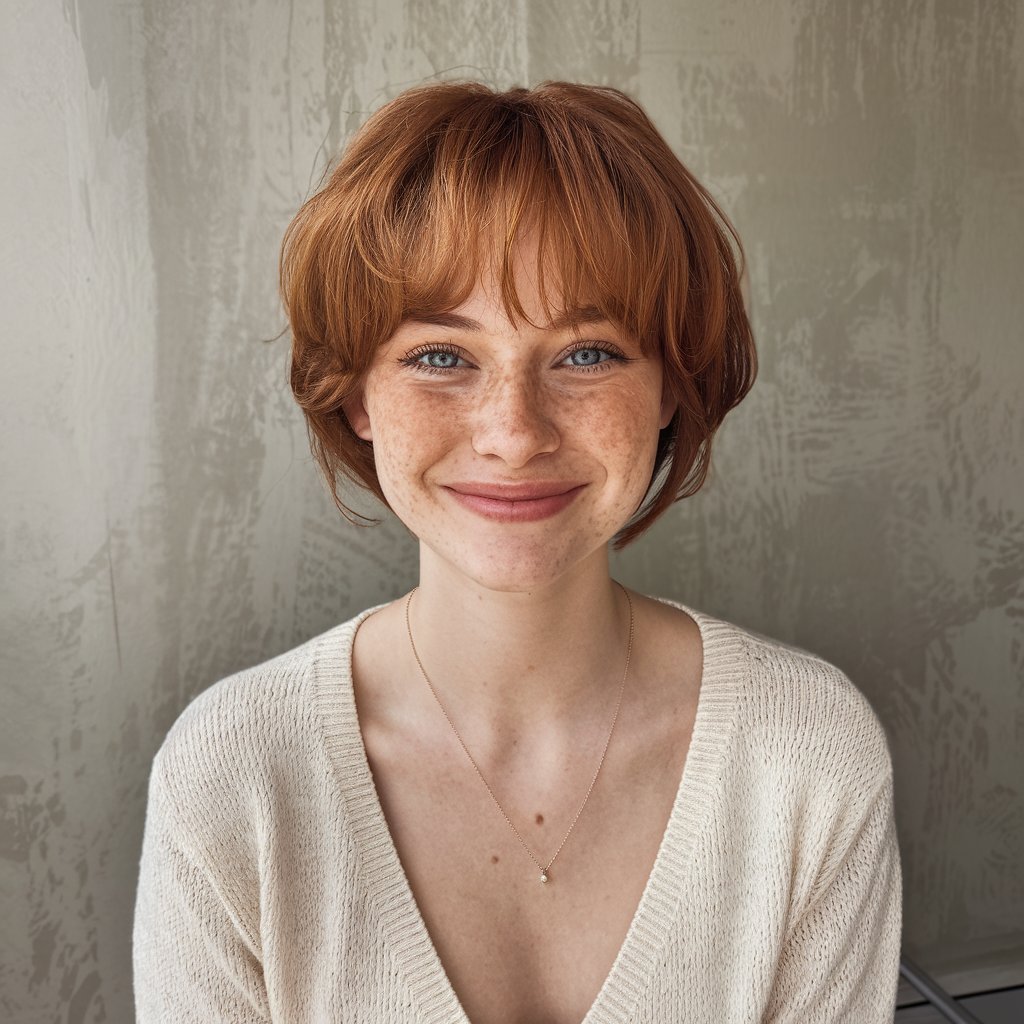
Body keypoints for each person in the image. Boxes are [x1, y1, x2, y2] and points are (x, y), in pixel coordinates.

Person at [133, 80, 902, 1023]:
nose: (513, 432)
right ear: (358, 396)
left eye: (585, 354)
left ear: (672, 387)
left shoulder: (811, 758)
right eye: (440, 356)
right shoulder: (232, 777)